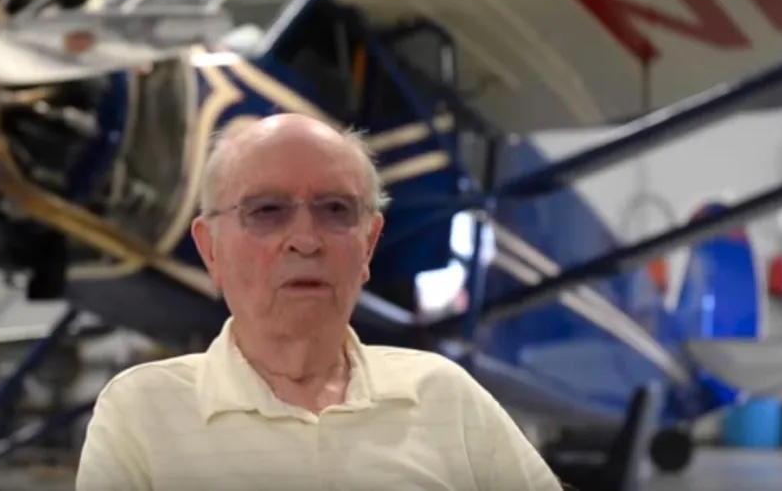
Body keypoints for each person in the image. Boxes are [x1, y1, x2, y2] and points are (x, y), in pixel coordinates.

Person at [75, 113, 564, 491]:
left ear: (368, 245)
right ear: (211, 250)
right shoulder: (141, 411)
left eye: (335, 210)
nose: (305, 240)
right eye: (267, 211)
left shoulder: (445, 395)